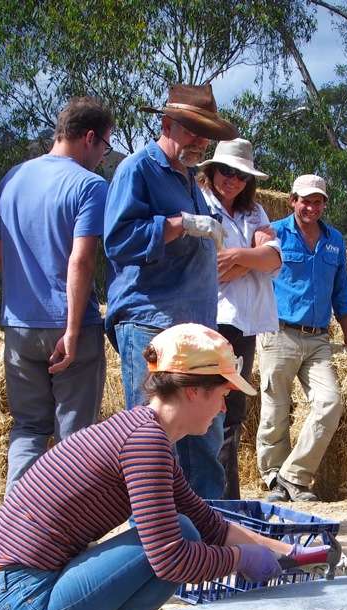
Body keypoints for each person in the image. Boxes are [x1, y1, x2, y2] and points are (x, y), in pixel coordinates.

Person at [0, 324, 326, 610]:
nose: (224, 408)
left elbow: (208, 523)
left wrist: (288, 552)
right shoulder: (146, 444)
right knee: (179, 538)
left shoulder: (141, 431)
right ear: (193, 391)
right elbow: (170, 559)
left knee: (188, 529)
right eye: (222, 394)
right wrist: (242, 559)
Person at [103, 83, 237, 500]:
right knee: (154, 439)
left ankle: (209, 541)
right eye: (193, 130)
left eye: (205, 134)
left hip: (193, 330)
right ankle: (155, 543)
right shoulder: (137, 169)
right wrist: (180, 224)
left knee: (204, 438)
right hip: (151, 323)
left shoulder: (189, 181)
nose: (200, 141)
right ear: (166, 123)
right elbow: (118, 240)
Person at [0, 96, 114, 491]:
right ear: (90, 138)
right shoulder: (89, 185)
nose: (102, 157)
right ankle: (65, 531)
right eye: (105, 147)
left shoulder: (11, 179)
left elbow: (1, 253)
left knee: (28, 427)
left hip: (19, 324)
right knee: (74, 437)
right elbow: (80, 261)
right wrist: (74, 329)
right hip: (67, 323)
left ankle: (16, 521)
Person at [257, 175, 347, 503]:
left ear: (324, 204)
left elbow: (342, 290)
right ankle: (273, 478)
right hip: (279, 333)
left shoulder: (334, 240)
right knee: (276, 408)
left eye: (317, 201)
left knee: (330, 403)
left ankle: (295, 475)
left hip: (318, 339)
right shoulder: (272, 233)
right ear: (292, 200)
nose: (311, 207)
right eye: (305, 200)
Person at [196, 139, 281, 499]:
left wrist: (240, 257)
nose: (232, 179)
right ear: (212, 170)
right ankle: (207, 499)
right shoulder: (198, 203)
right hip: (213, 319)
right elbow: (213, 269)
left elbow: (275, 260)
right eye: (226, 170)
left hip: (244, 324)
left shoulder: (255, 212)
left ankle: (227, 502)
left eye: (241, 174)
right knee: (207, 410)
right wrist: (254, 256)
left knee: (232, 411)